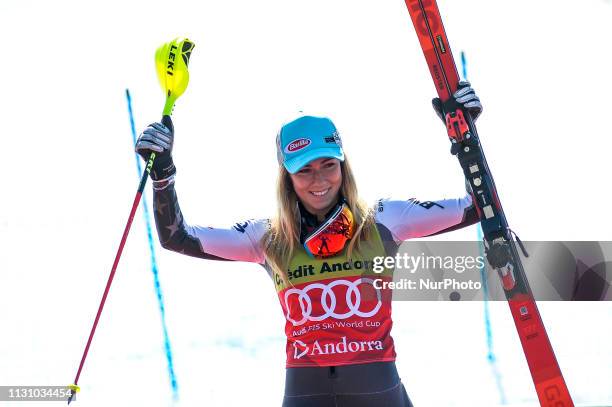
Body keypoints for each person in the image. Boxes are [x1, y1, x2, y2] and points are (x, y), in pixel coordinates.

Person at [135, 82, 483, 406]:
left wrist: (466, 137)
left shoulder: (383, 220)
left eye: (328, 165)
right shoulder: (267, 238)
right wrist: (162, 173)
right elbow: (176, 237)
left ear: (343, 166)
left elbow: (476, 207)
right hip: (307, 391)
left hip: (378, 388)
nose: (320, 180)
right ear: (286, 176)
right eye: (304, 170)